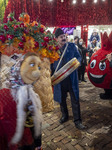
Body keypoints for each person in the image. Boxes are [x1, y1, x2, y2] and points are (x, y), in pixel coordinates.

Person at [51, 28, 85, 130]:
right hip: (60, 80)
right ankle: (64, 116)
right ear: (56, 39)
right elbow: (50, 64)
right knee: (62, 99)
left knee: (75, 99)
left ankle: (77, 121)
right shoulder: (52, 50)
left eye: (64, 36)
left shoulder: (71, 46)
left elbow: (79, 57)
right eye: (61, 37)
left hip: (71, 78)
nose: (63, 38)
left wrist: (77, 64)